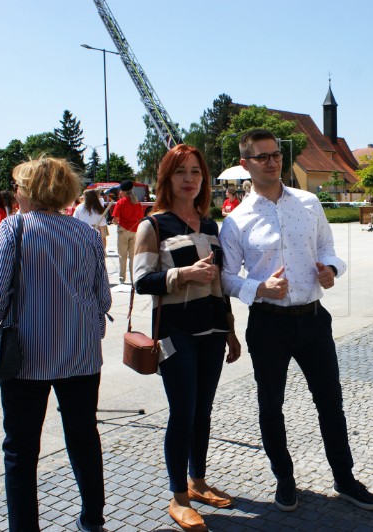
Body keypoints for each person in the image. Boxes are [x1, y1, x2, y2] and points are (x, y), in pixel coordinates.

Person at [220, 129, 373, 513]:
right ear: (246, 164)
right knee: (270, 406)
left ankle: (345, 479)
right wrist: (260, 288)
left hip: (312, 320)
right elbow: (226, 277)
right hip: (267, 324)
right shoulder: (236, 220)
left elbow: (328, 249)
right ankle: (285, 480)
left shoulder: (309, 203)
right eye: (262, 157)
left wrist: (331, 269)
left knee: (331, 403)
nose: (272, 161)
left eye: (276, 154)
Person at [0, 157, 111, 531]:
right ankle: (92, 519)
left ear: (29, 191)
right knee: (84, 439)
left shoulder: (13, 228)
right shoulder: (85, 233)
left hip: (25, 358)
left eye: (18, 187)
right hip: (81, 356)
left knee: (20, 450)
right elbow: (103, 298)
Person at [133, 144, 241, 532]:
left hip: (212, 331)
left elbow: (221, 285)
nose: (190, 179)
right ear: (166, 178)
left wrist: (230, 330)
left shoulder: (211, 225)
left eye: (196, 171)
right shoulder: (154, 225)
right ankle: (177, 497)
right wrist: (183, 275)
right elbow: (142, 281)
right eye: (181, 172)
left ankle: (198, 482)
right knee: (182, 414)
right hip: (176, 335)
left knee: (203, 412)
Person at [112, 180, 144, 284]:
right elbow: (140, 218)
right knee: (133, 256)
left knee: (122, 256)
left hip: (123, 231)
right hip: (134, 231)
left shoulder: (120, 202)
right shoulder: (137, 203)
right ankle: (133, 277)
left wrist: (114, 221)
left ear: (123, 191)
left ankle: (122, 277)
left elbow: (116, 219)